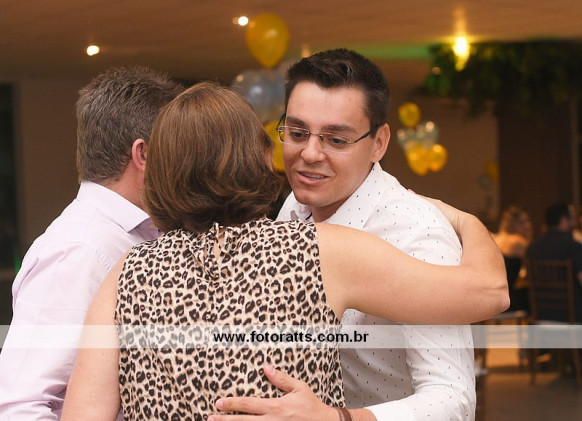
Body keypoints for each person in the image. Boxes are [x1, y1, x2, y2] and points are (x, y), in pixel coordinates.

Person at [61, 82, 508, 421]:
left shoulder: (126, 274)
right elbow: (488, 292)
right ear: (259, 159)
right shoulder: (320, 250)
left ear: (159, 172)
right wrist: (466, 221)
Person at [216, 48, 480, 421]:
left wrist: (340, 418)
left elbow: (454, 399)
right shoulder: (295, 206)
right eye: (297, 133)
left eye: (336, 140)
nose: (309, 154)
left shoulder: (416, 233)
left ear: (379, 143)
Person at [0, 66, 183, 419]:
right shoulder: (78, 251)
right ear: (143, 155)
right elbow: (20, 405)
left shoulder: (134, 235)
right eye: (176, 148)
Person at [526, 202, 582, 322]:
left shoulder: (532, 248)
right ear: (564, 219)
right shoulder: (573, 246)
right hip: (571, 315)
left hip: (541, 313)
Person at [493, 206, 532, 312]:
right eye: (522, 222)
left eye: (528, 221)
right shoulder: (517, 242)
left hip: (491, 297)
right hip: (506, 299)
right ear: (512, 224)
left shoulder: (497, 239)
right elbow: (534, 270)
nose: (528, 226)